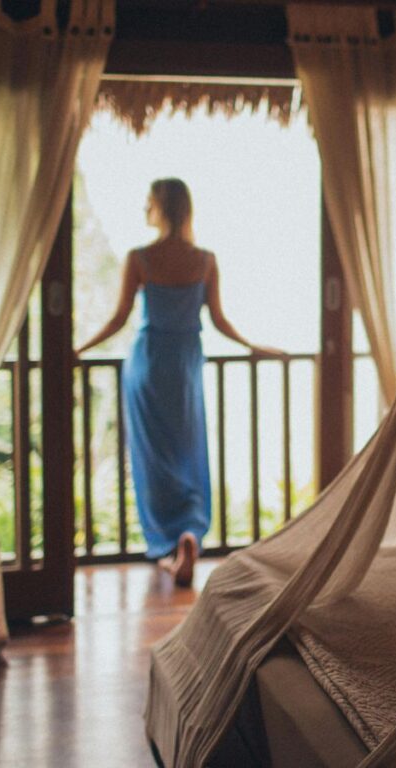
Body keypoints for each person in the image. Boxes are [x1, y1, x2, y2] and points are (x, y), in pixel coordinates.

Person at [76, 178, 280, 587]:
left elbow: (118, 319)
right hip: (185, 365)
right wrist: (254, 347)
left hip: (148, 364)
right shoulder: (204, 260)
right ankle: (189, 535)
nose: (144, 209)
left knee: (154, 459)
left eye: (148, 202)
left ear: (163, 208)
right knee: (188, 453)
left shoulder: (140, 258)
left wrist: (78, 350)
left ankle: (170, 545)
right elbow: (219, 321)